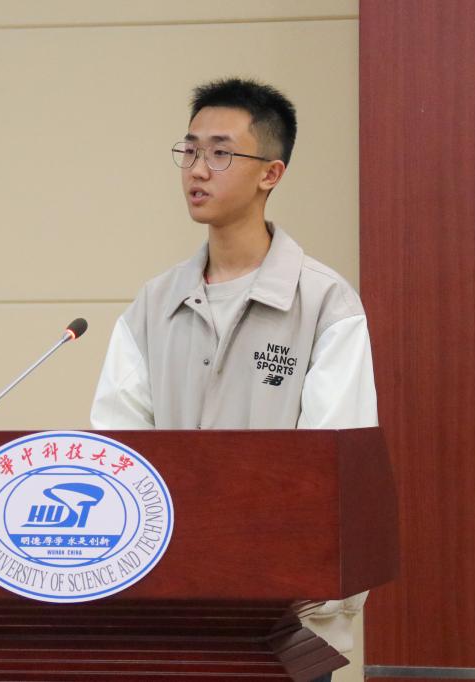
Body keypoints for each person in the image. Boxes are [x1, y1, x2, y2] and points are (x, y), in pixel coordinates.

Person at [90, 77, 377, 679]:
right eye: (190, 150)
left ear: (271, 173)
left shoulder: (325, 303)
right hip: (170, 611)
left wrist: (301, 599)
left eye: (220, 153)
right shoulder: (152, 305)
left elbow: (334, 473)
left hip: (283, 619)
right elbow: (116, 456)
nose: (198, 169)